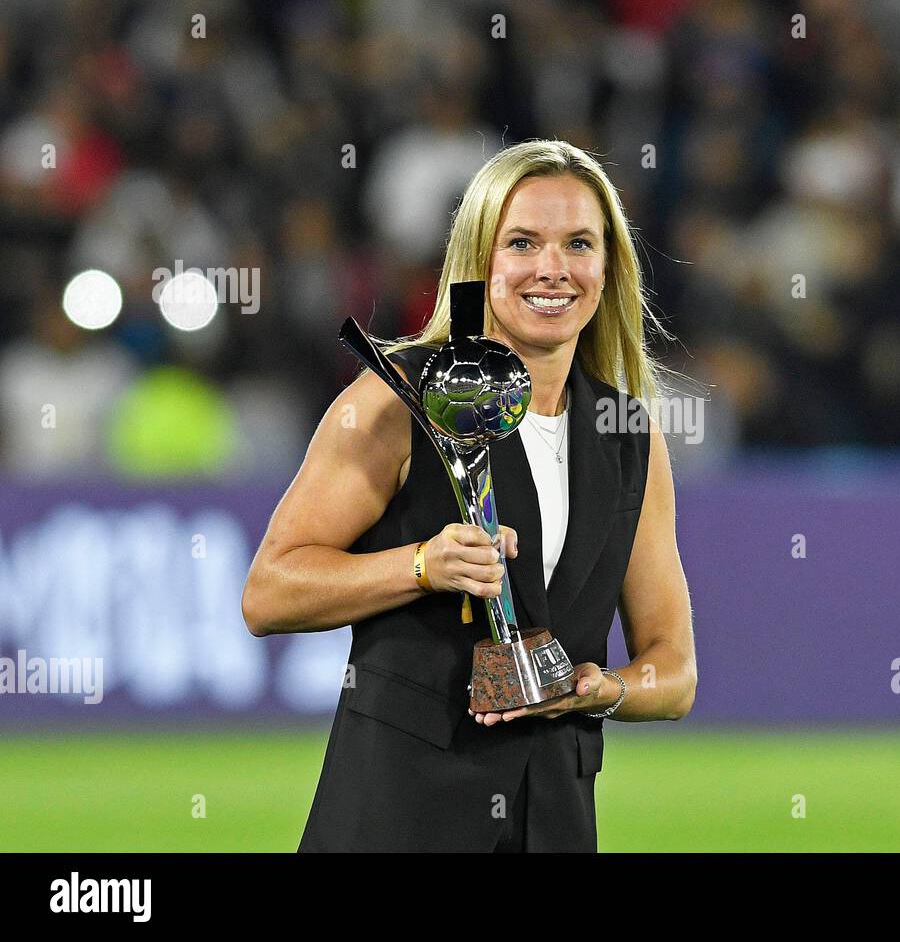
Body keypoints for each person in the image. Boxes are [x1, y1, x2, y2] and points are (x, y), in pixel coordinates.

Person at [241, 139, 697, 852]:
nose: (553, 268)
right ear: (480, 262)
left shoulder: (628, 436)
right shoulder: (396, 400)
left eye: (579, 243)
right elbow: (268, 593)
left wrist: (598, 689)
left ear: (607, 270)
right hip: (394, 819)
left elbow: (674, 672)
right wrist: (421, 565)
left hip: (552, 822)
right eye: (523, 242)